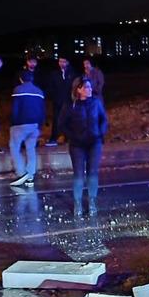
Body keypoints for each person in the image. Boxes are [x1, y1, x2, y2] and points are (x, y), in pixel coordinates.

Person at [59, 76, 108, 216]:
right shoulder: (70, 105)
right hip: (77, 145)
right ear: (78, 89)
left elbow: (103, 119)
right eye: (86, 87)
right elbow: (62, 124)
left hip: (94, 142)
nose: (90, 89)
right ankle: (78, 203)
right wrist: (73, 136)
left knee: (93, 173)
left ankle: (92, 202)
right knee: (79, 174)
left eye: (90, 87)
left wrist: (100, 132)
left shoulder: (96, 102)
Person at [9, 70, 45, 187]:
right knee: (31, 149)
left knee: (14, 147)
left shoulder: (18, 90)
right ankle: (30, 176)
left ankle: (21, 173)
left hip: (20, 124)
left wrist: (12, 123)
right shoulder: (39, 92)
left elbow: (15, 109)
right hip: (35, 125)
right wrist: (40, 125)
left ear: (21, 79)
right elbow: (42, 110)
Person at [45, 57, 77, 146]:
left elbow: (74, 87)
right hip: (57, 101)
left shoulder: (72, 74)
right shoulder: (54, 74)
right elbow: (51, 87)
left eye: (64, 61)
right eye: (60, 61)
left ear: (68, 62)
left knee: (69, 120)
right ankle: (54, 137)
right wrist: (54, 97)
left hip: (69, 101)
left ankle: (68, 138)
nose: (62, 63)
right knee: (56, 119)